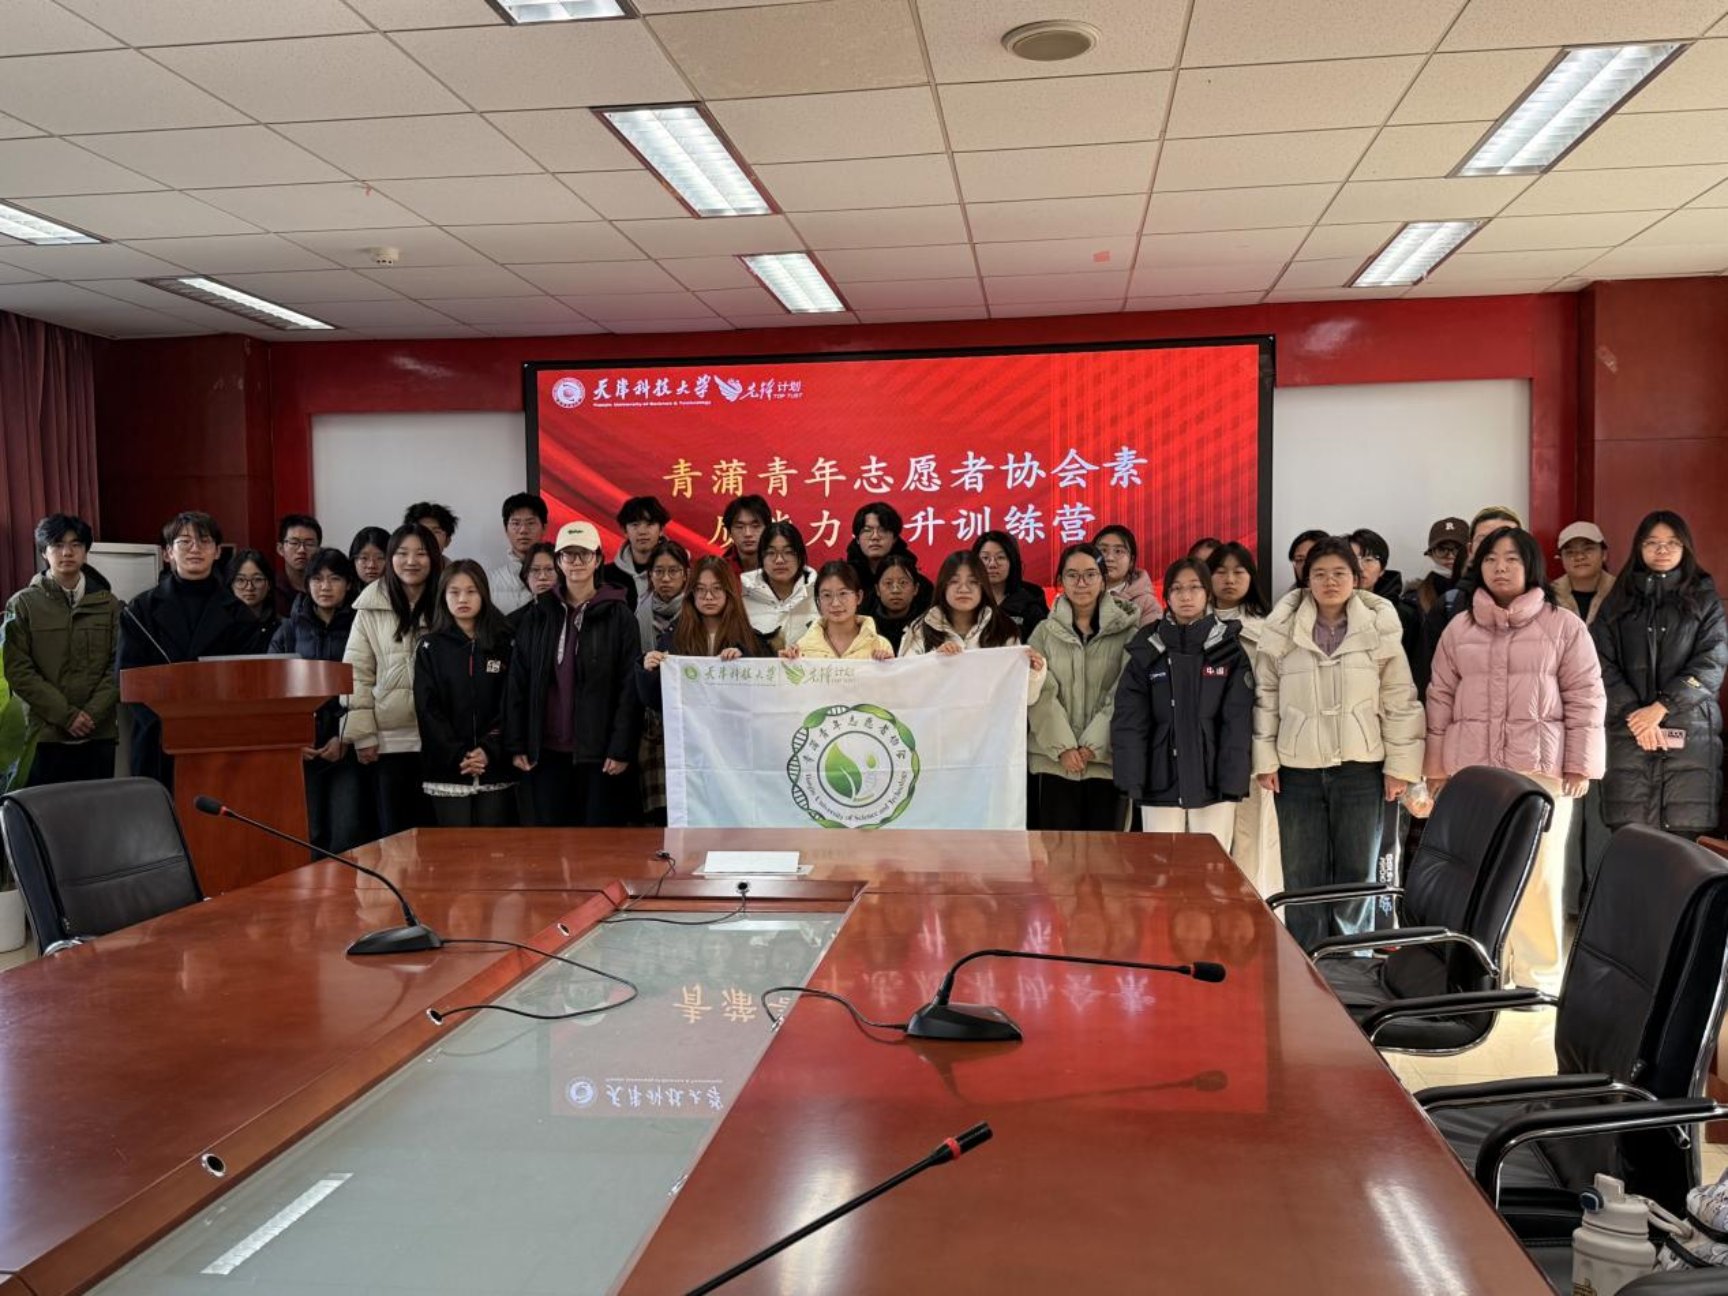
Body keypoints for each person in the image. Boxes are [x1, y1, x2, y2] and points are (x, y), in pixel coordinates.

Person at [1426, 526, 1606, 993]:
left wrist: (1580, 764)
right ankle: (1478, 974)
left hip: (1539, 770)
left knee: (1540, 874)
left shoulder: (1563, 626)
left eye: (1511, 559)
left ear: (1532, 567)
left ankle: (1535, 978)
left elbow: (1586, 697)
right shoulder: (1459, 628)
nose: (1500, 568)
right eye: (1490, 559)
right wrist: (1436, 767)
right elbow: (1439, 699)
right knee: (1477, 872)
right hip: (1474, 773)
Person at [1253, 537, 1424, 949]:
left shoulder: (1379, 626)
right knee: (1302, 875)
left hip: (1361, 770)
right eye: (1320, 574)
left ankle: (1352, 964)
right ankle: (1306, 960)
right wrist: (1266, 758)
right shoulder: (1281, 627)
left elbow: (1399, 699)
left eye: (1339, 573)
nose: (1330, 582)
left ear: (1356, 578)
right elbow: (1266, 696)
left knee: (1357, 875)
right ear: (1306, 579)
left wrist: (1400, 767)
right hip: (1297, 770)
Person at [1592, 510, 1727, 840]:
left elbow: (1712, 663)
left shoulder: (1705, 600)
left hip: (1690, 740)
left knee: (1686, 850)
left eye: (1672, 543)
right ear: (1639, 548)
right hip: (1628, 734)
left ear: (1685, 548)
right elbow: (1598, 663)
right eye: (1652, 543)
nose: (1662, 550)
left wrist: (1661, 708)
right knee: (1631, 843)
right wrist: (1635, 716)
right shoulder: (1617, 601)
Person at [504, 520, 642, 827]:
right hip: (546, 752)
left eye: (584, 554)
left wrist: (621, 748)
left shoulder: (619, 616)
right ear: (558, 561)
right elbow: (518, 682)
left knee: (597, 843)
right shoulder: (539, 614)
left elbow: (629, 689)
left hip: (599, 754)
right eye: (568, 554)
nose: (576, 561)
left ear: (598, 559)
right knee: (551, 842)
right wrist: (517, 743)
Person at [1113, 558, 1253, 848]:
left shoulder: (1228, 648)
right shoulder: (1147, 646)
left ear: (1208, 594)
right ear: (1166, 596)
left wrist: (1232, 781)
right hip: (1158, 777)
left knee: (1212, 864)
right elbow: (1130, 720)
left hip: (1213, 778)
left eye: (1194, 588)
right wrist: (1131, 778)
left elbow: (1237, 721)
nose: (1186, 596)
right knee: (1161, 865)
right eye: (1177, 589)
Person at [118, 510, 262, 788]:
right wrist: (167, 721)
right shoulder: (140, 610)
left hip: (219, 738)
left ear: (217, 551)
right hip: (157, 738)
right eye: (184, 542)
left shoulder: (239, 614)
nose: (195, 548)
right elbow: (126, 677)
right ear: (168, 553)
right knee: (160, 811)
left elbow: (248, 681)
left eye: (204, 541)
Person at [1027, 542, 1140, 830]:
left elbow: (1125, 693)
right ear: (1060, 581)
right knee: (1058, 853)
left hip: (1107, 764)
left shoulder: (1129, 633)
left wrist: (1092, 746)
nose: (1081, 583)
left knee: (1106, 853)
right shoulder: (1042, 633)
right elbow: (1040, 694)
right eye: (1072, 575)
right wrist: (1063, 747)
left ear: (1103, 579)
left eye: (1090, 574)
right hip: (1055, 763)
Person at [2, 513, 121, 786]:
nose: (67, 552)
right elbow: (18, 670)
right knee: (45, 810)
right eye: (57, 545)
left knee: (97, 808)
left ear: (86, 551)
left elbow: (118, 665)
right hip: (44, 736)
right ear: (44, 552)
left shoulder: (109, 605)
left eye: (76, 544)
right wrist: (67, 716)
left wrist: (91, 715)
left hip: (98, 734)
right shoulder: (23, 604)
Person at [344, 522, 442, 836]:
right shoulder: (369, 606)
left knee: (439, 837)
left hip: (441, 739)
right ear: (390, 558)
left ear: (434, 558)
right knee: (396, 839)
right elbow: (356, 673)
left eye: (421, 553)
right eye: (402, 553)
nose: (411, 561)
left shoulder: (448, 600)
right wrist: (363, 735)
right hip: (389, 742)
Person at [268, 548, 368, 853]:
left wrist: (344, 736)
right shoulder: (288, 629)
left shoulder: (361, 626)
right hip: (302, 747)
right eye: (317, 579)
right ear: (306, 583)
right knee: (307, 833)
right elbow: (272, 691)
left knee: (347, 833)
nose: (325, 587)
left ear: (348, 584)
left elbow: (368, 684)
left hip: (346, 745)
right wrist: (293, 739)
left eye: (334, 579)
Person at [414, 561, 516, 828]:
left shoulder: (504, 643)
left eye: (471, 591)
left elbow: (510, 704)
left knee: (494, 848)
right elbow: (427, 708)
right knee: (455, 847)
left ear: (484, 594)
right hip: (447, 767)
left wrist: (488, 749)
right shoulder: (430, 647)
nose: (462, 599)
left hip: (494, 766)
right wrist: (458, 753)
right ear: (443, 596)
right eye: (454, 592)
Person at [1209, 541, 1280, 891]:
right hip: (1207, 748)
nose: (1229, 579)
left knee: (1253, 839)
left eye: (1239, 571)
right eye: (1220, 571)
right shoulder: (1189, 625)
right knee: (1210, 840)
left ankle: (1250, 914)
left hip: (1253, 750)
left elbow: (1272, 696)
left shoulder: (1269, 629)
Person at [1416, 505, 1524, 694]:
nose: (1495, 546)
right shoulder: (1450, 605)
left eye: (1507, 537)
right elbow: (1430, 683)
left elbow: (1576, 690)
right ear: (1471, 549)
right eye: (1484, 540)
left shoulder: (1552, 609)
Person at [782, 561, 895, 661]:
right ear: (818, 601)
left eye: (843, 593)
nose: (835, 603)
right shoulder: (802, 649)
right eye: (827, 595)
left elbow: (891, 679)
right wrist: (786, 664)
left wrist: (888, 667)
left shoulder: (880, 645)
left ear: (858, 597)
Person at [1350, 528, 1421, 673]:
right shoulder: (1328, 611)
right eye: (1352, 559)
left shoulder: (1405, 615)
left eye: (1368, 560)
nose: (1360, 567)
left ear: (1382, 569)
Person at [741, 520, 816, 651]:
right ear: (761, 557)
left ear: (800, 556)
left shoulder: (819, 594)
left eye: (788, 552)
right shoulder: (743, 596)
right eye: (771, 553)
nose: (779, 560)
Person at [848, 503, 933, 601]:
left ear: (895, 538)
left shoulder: (919, 585)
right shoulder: (847, 579)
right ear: (857, 539)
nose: (875, 536)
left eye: (883, 530)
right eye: (867, 530)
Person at [973, 529, 1048, 637]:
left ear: (1012, 562)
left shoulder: (1029, 605)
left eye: (1000, 557)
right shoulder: (967, 601)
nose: (992, 564)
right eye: (985, 558)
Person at [604, 495, 669, 608]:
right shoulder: (606, 576)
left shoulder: (676, 573)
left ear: (661, 529)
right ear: (625, 530)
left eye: (650, 524)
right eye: (635, 525)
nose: (642, 531)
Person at [488, 492, 547, 617]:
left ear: (544, 527)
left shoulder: (560, 576)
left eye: (530, 523)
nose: (523, 530)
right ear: (506, 529)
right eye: (515, 523)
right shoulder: (491, 582)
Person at [1091, 525, 1161, 625]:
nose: (1109, 558)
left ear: (1131, 561)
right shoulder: (1076, 594)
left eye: (1118, 551)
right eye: (1103, 550)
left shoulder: (1146, 604)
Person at [862, 551, 931, 653]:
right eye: (888, 583)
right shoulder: (863, 626)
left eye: (903, 583)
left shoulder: (929, 624)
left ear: (915, 589)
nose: (895, 590)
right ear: (877, 590)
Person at [1553, 521, 1615, 625]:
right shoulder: (1548, 595)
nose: (1579, 557)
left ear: (1604, 554)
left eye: (1588, 549)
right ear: (1561, 559)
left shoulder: (1621, 591)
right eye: (1570, 552)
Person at [1403, 516, 1467, 614]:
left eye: (1458, 549)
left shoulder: (1485, 590)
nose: (1450, 556)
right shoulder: (1412, 599)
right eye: (1442, 549)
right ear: (1430, 554)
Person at [638, 538, 690, 652]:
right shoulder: (638, 611)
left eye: (673, 571)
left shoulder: (697, 611)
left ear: (685, 574)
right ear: (650, 575)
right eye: (659, 571)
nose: (666, 579)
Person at [227, 547, 281, 649]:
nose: (249, 587)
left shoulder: (282, 627)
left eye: (257, 579)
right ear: (231, 585)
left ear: (269, 584)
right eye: (241, 580)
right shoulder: (221, 626)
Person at [274, 514, 322, 616]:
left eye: (309, 544)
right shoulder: (271, 590)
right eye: (294, 543)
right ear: (280, 549)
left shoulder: (326, 588)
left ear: (319, 550)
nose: (301, 550)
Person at [508, 542, 559, 630]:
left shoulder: (572, 615)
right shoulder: (513, 622)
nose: (542, 577)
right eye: (535, 570)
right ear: (526, 577)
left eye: (549, 569)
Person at [723, 494, 771, 575]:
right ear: (729, 532)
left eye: (755, 526)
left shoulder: (779, 566)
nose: (748, 534)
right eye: (740, 527)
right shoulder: (720, 570)